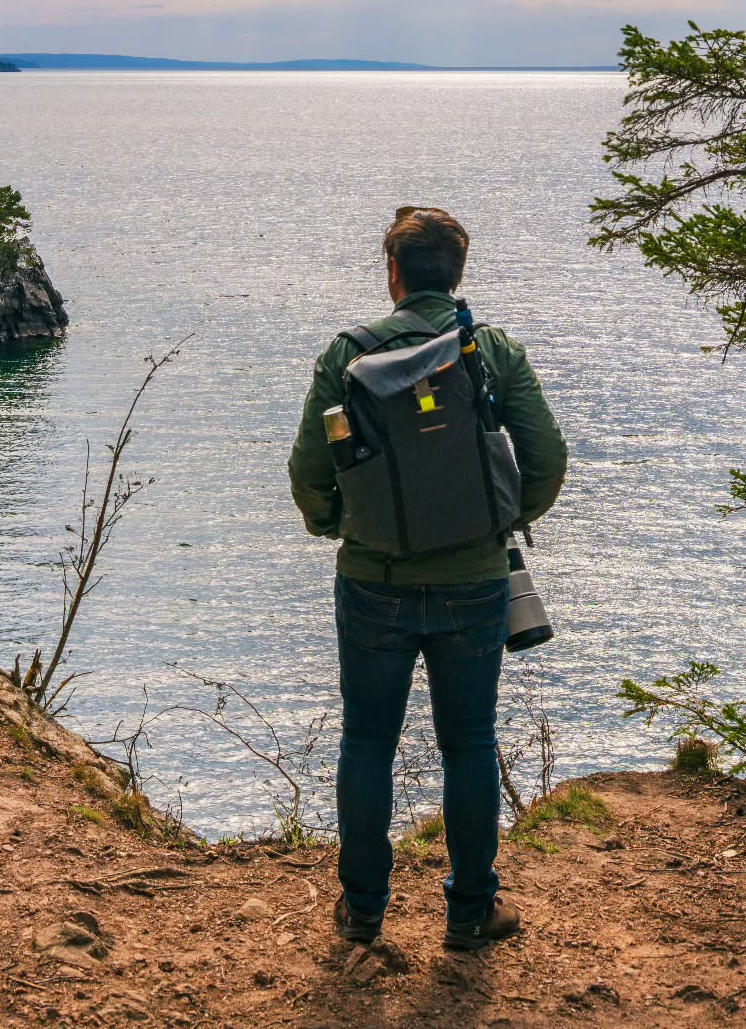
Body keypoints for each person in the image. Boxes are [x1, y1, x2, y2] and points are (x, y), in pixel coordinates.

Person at [288, 205, 567, 951]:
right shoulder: (492, 352)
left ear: (394, 274)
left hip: (372, 578)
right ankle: (472, 912)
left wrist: (334, 525)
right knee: (469, 743)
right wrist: (501, 521)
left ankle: (362, 910)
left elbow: (309, 473)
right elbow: (548, 457)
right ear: (459, 273)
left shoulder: (345, 353)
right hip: (476, 581)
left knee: (367, 740)